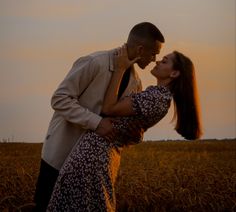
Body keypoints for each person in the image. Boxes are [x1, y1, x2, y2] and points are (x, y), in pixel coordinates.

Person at [47, 45, 202, 212]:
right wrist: (136, 135)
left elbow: (109, 109)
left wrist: (120, 69)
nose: (157, 60)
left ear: (174, 73)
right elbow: (132, 127)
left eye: (164, 61)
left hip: (94, 155)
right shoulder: (158, 97)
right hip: (100, 155)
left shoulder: (156, 97)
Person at [34, 22, 165, 211]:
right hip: (59, 159)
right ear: (140, 49)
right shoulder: (95, 62)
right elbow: (60, 99)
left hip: (92, 173)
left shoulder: (136, 83)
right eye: (153, 53)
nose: (154, 60)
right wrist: (97, 123)